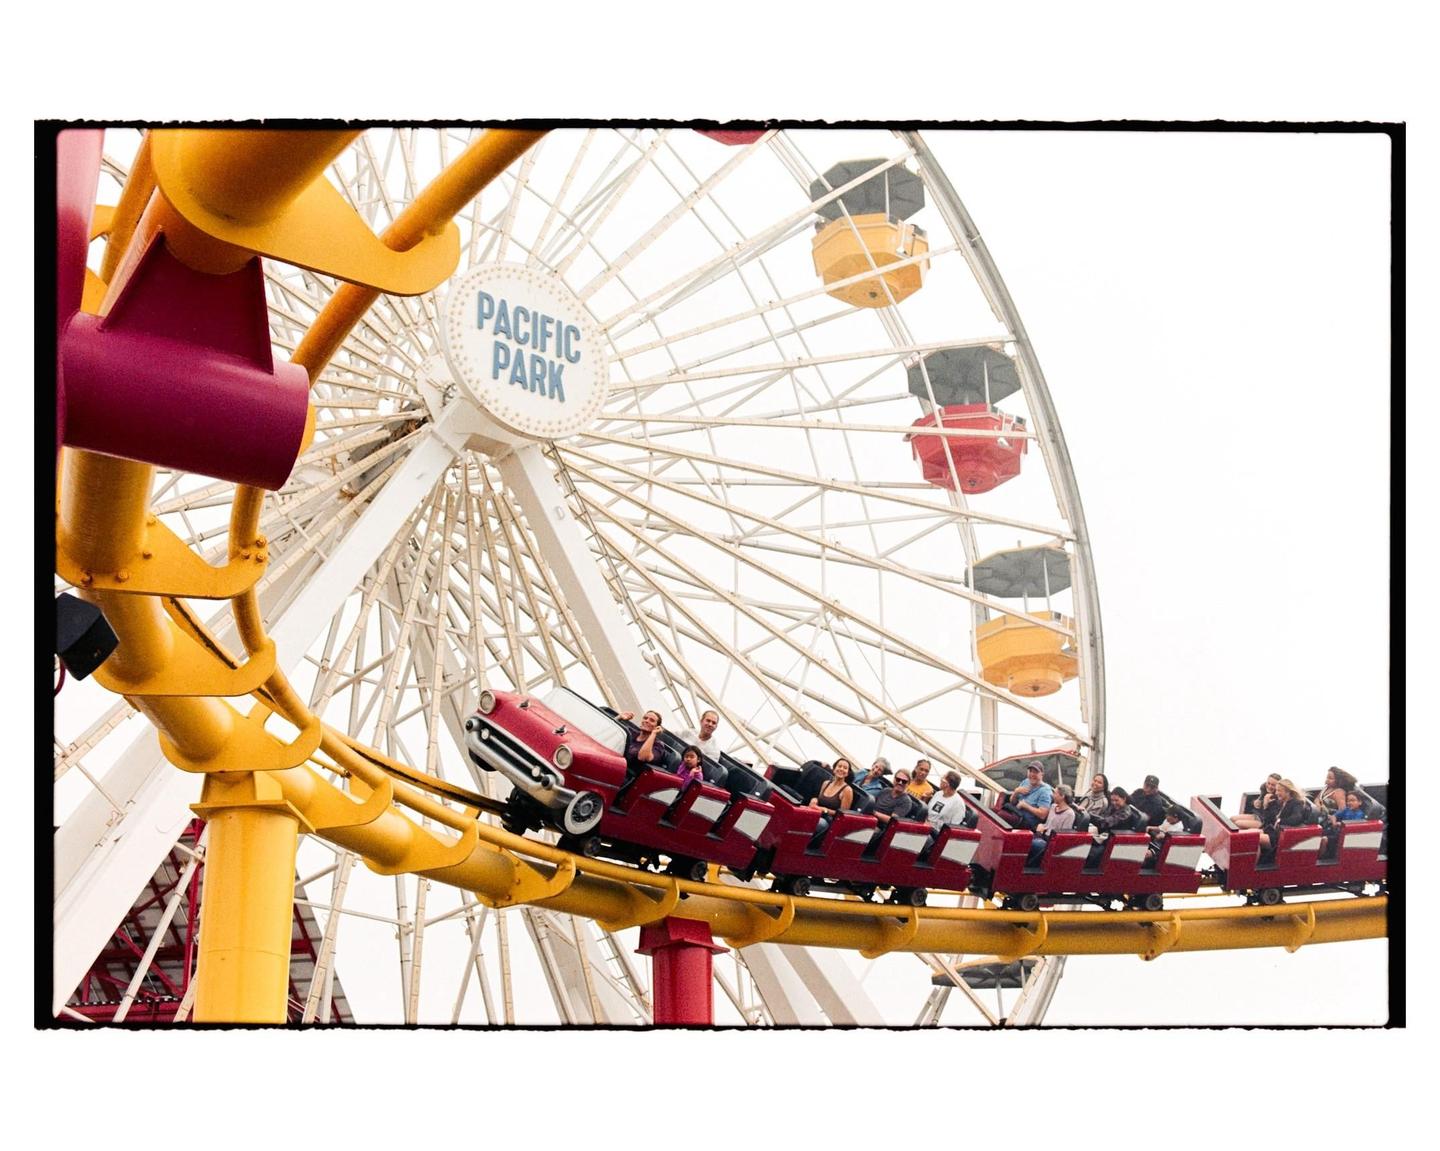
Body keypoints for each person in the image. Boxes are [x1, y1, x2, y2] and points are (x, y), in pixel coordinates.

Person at [1086, 787, 1144, 867]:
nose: (1114, 803)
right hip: (1106, 835)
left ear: (1124, 799)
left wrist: (1089, 816)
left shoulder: (1125, 813)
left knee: (1090, 854)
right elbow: (1104, 817)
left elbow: (1105, 823)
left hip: (1115, 842)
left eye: (1116, 800)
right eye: (1112, 800)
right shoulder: (1114, 807)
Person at [807, 758, 856, 849]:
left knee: (817, 822)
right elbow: (819, 798)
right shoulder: (826, 783)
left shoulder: (847, 790)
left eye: (845, 768)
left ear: (847, 773)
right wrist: (814, 800)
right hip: (817, 812)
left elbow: (842, 815)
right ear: (834, 769)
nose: (841, 769)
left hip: (829, 822)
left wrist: (825, 810)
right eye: (839, 766)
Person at [1265, 778, 1320, 856]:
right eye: (1276, 790)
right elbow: (1267, 819)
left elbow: (1296, 818)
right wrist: (1266, 805)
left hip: (1282, 835)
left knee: (1256, 839)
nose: (1276, 793)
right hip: (1273, 831)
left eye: (1279, 791)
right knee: (1254, 832)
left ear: (1287, 792)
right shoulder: (1280, 802)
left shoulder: (1296, 803)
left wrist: (1280, 821)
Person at [1026, 784, 1076, 867]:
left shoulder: (1069, 814)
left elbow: (1063, 836)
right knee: (1025, 839)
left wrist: (1040, 833)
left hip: (1051, 843)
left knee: (1034, 844)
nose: (1052, 795)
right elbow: (1047, 824)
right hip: (1042, 835)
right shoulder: (1053, 807)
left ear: (1062, 796)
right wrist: (1041, 827)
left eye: (1055, 793)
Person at [1002, 761, 1053, 830]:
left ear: (1042, 774)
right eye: (1030, 771)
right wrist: (1016, 792)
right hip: (1015, 812)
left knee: (1000, 816)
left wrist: (1025, 806)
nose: (1032, 774)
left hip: (1026, 822)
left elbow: (1042, 815)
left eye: (1035, 772)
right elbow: (1012, 802)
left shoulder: (1045, 791)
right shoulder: (1026, 781)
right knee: (992, 812)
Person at [621, 709, 666, 775]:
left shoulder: (658, 745)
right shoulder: (631, 733)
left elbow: (642, 757)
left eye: (652, 720)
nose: (647, 721)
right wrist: (619, 718)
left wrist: (654, 733)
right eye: (645, 718)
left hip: (627, 774)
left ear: (657, 727)